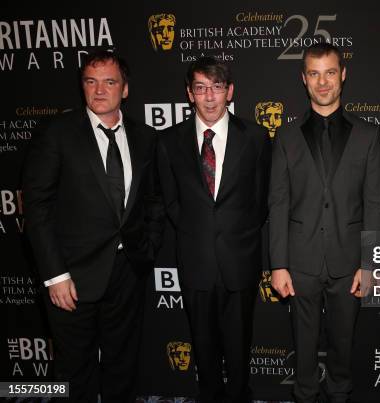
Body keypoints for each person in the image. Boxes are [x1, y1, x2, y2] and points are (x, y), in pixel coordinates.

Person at [22, 50, 163, 402]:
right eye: (91, 81)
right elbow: (36, 207)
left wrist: (147, 248)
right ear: (82, 87)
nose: (99, 90)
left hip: (128, 270)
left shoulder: (146, 137)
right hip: (72, 276)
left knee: (123, 364)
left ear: (125, 89)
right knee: (74, 370)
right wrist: (55, 275)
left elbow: (154, 200)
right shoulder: (57, 133)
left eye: (110, 82)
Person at [268, 42, 380, 403]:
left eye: (330, 72)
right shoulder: (286, 135)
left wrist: (370, 262)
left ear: (343, 75)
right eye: (315, 74)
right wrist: (279, 264)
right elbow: (278, 201)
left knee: (343, 348)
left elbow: (375, 203)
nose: (323, 82)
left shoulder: (367, 135)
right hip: (299, 262)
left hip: (348, 261)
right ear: (304, 79)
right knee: (303, 350)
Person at [157, 56, 270, 402]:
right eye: (201, 88)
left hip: (240, 263)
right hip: (196, 263)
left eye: (217, 87)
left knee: (239, 352)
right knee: (203, 353)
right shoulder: (169, 141)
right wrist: (199, 232)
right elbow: (170, 202)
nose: (209, 97)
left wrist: (235, 233)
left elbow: (263, 200)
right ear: (189, 93)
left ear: (230, 91)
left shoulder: (255, 137)